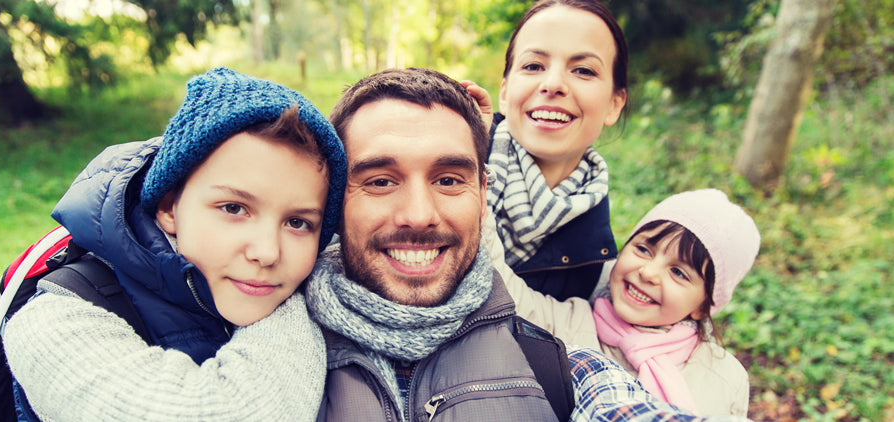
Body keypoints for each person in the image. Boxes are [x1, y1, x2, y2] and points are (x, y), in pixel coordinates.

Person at [305, 67, 749, 422]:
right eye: (381, 181)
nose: (419, 214)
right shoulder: (272, 340)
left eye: (448, 180)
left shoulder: (557, 363)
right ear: (333, 196)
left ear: (482, 194)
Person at [2, 67, 347, 421]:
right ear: (169, 207)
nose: (267, 252)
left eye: (298, 223)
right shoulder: (56, 319)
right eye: (234, 208)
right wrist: (293, 305)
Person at [498, 189, 760, 416]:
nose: (648, 272)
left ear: (704, 306)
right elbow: (503, 284)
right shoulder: (568, 322)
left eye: (678, 272)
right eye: (643, 250)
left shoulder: (726, 377)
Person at [475, 0, 630, 302]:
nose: (553, 84)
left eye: (583, 70)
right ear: (505, 93)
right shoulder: (445, 165)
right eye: (533, 66)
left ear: (614, 104)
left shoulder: (601, 268)